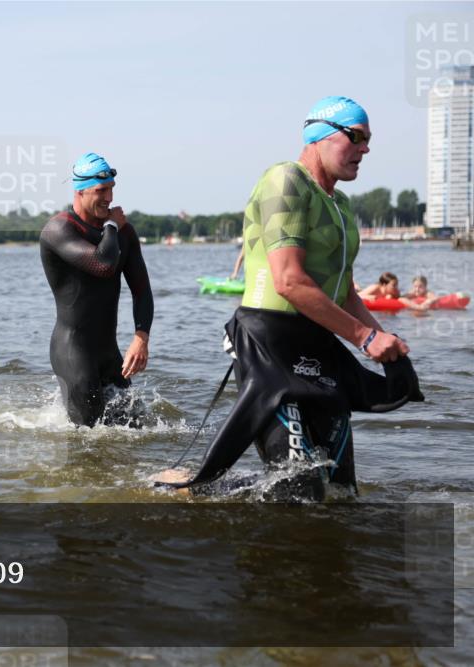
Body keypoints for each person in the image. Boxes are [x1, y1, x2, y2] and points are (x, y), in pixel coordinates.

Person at [155, 96, 422, 500]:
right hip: (270, 347)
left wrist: (385, 342)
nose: (365, 149)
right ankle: (196, 490)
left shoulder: (342, 206)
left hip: (318, 349)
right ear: (321, 135)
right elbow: (289, 282)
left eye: (369, 140)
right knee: (299, 489)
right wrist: (364, 339)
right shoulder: (286, 180)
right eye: (357, 137)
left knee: (342, 492)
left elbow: (345, 292)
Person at [39, 152, 153, 427]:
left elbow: (142, 291)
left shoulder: (124, 233)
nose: (109, 198)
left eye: (112, 189)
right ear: (79, 190)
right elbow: (103, 265)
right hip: (72, 351)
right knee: (86, 438)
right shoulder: (59, 230)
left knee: (137, 427)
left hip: (108, 353)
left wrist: (141, 337)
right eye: (101, 190)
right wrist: (112, 224)